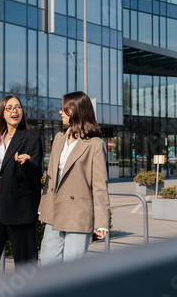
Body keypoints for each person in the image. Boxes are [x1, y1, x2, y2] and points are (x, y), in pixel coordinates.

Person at [0, 95, 43, 276]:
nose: (14, 111)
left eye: (18, 107)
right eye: (9, 108)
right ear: (2, 113)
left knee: (25, 265)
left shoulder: (31, 139)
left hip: (20, 206)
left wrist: (26, 164)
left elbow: (36, 178)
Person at [38, 91, 110, 266]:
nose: (60, 112)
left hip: (79, 214)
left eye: (64, 109)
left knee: (72, 267)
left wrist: (101, 222)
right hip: (54, 211)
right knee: (48, 262)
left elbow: (99, 185)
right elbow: (51, 176)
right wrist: (43, 206)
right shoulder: (59, 137)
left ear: (76, 111)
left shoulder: (94, 144)